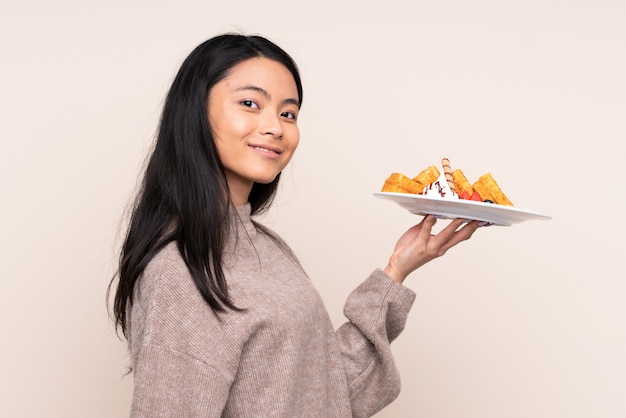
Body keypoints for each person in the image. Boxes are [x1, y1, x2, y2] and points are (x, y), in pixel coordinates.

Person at [109, 33, 480, 418]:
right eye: (250, 104)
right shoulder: (181, 269)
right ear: (194, 113)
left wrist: (398, 268)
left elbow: (325, 395)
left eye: (288, 113)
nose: (276, 127)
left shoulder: (266, 246)